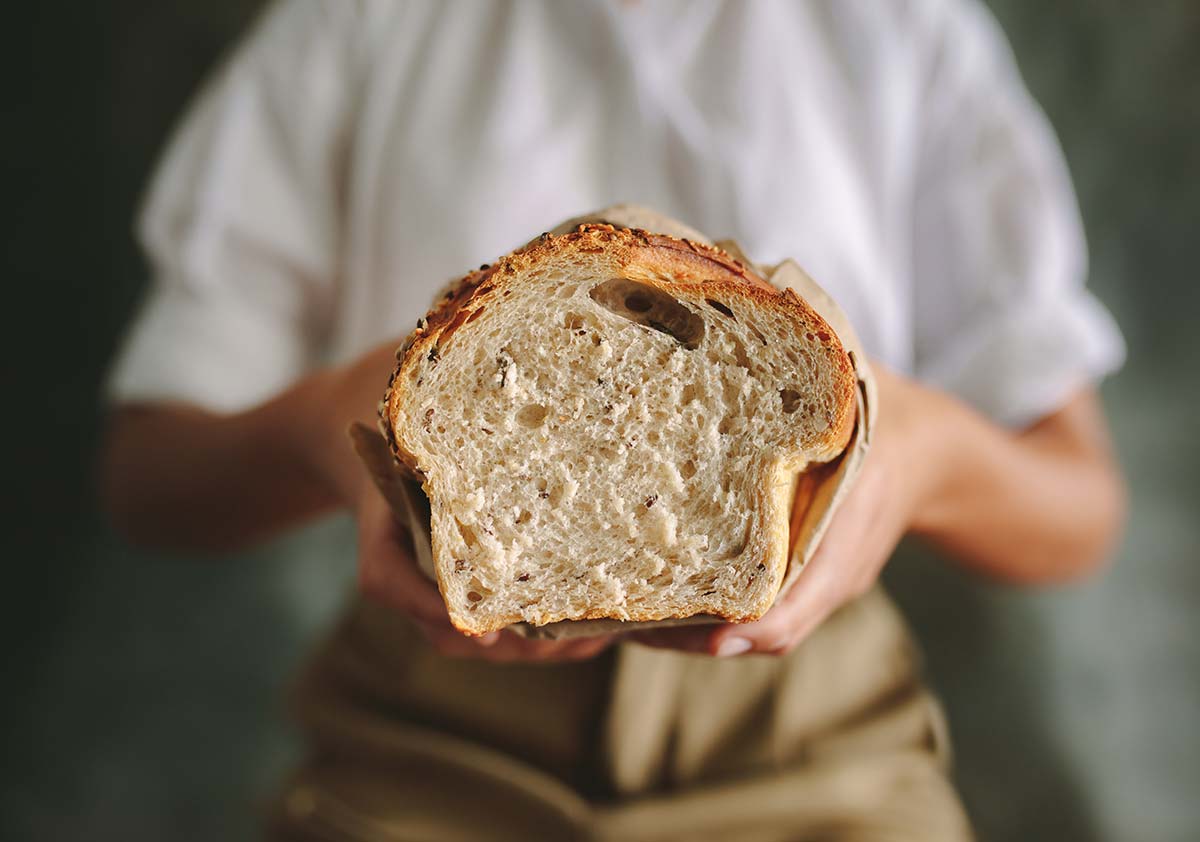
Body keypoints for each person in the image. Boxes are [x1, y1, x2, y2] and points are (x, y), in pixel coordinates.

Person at [99, 1, 1127, 839]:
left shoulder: (906, 37)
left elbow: (1078, 504)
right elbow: (151, 472)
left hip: (820, 753)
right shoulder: (350, 28)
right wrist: (331, 419)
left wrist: (921, 450)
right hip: (426, 749)